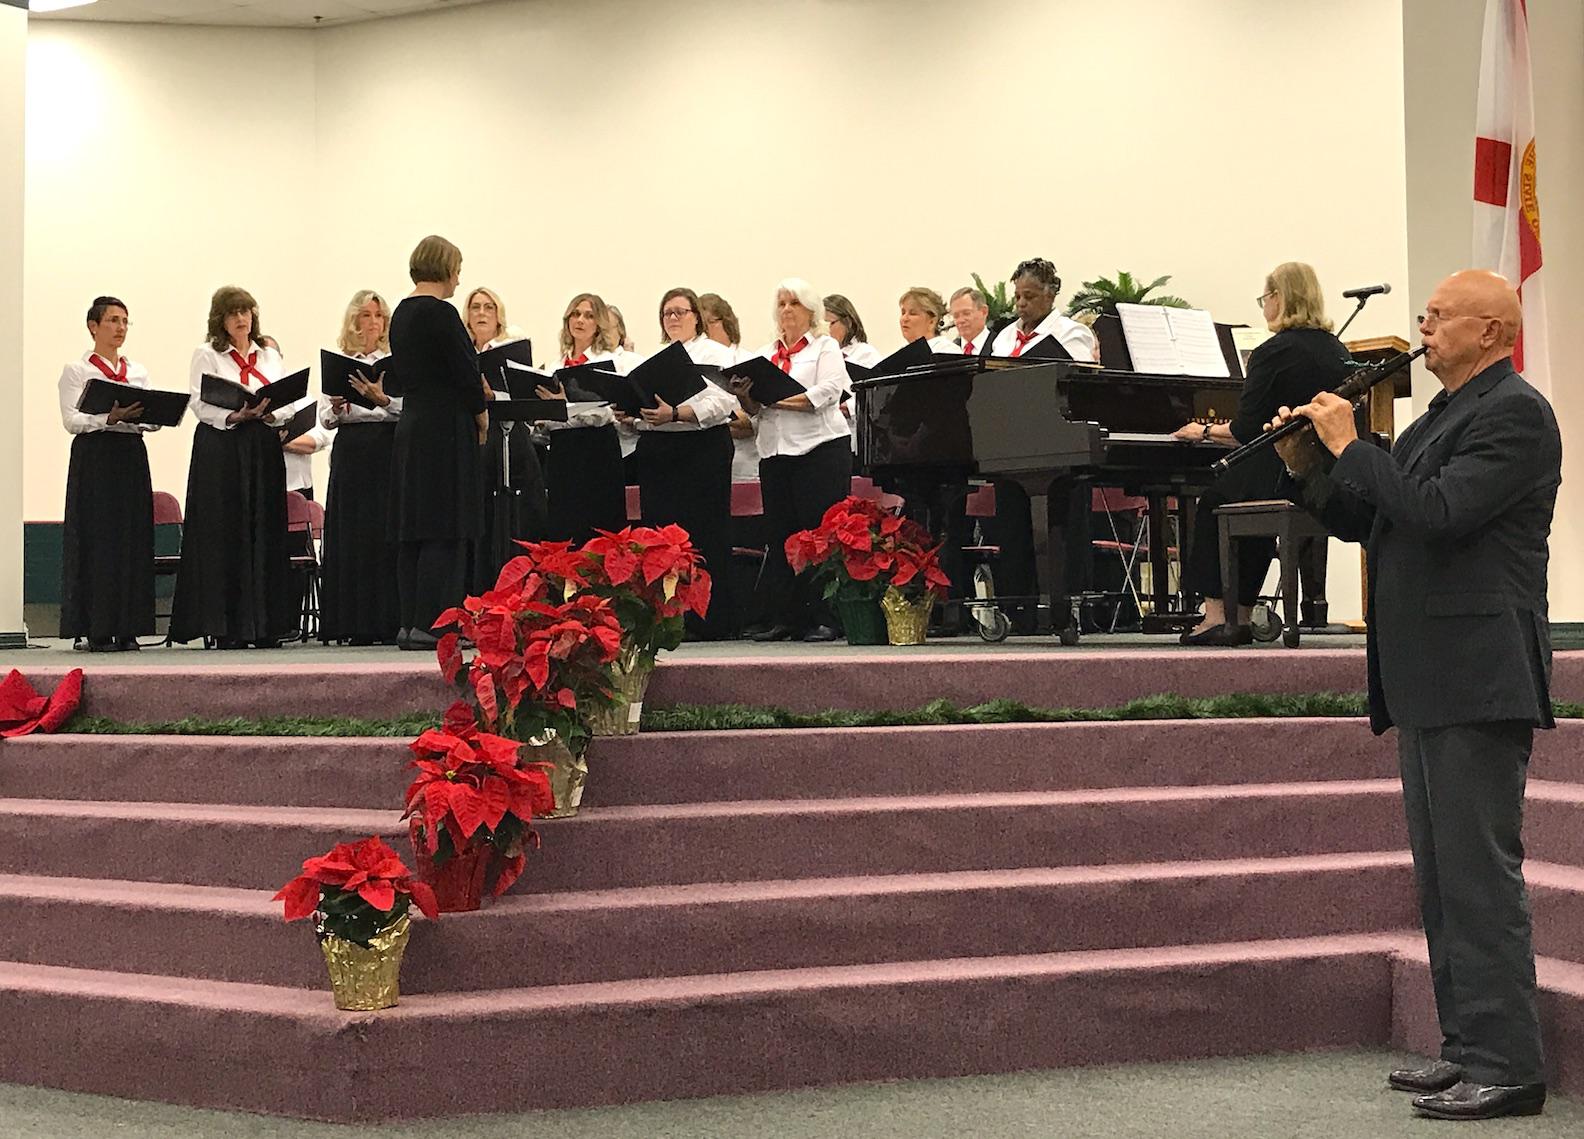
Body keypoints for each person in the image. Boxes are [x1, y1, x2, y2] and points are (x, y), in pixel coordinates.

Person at [1272, 269, 1557, 1122]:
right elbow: (1377, 519)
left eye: (1439, 317)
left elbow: (1438, 511)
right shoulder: (1441, 415)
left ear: (1491, 331)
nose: (1422, 326)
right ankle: (1467, 1048)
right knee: (1440, 880)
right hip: (1429, 672)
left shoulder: (1515, 412)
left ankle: (1509, 1062)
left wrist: (1354, 442)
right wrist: (1310, 467)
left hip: (1477, 672)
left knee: (1479, 879)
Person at [1176, 262, 1353, 645]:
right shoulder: (1336, 348)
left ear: (1279, 297)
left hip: (1281, 465)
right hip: (1326, 467)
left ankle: (1220, 617)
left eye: (1264, 298)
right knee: (1241, 488)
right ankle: (1240, 612)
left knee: (1216, 500)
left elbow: (1245, 429)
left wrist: (1203, 430)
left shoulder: (1273, 350)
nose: (1263, 306)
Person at [726, 278, 852, 642]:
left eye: (794, 303)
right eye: (781, 303)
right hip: (776, 452)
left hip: (819, 450)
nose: (786, 310)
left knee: (818, 534)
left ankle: (826, 616)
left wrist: (774, 399)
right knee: (781, 535)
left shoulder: (824, 346)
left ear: (810, 311)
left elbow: (828, 393)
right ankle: (787, 616)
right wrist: (748, 396)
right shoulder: (765, 354)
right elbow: (753, 412)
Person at [170, 286, 293, 648]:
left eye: (246, 312)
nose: (241, 319)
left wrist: (271, 412)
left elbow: (288, 400)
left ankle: (266, 624)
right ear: (220, 319)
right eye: (233, 312)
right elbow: (200, 402)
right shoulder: (207, 354)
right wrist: (236, 414)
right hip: (223, 446)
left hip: (262, 444)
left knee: (264, 526)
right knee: (226, 529)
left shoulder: (268, 355)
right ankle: (228, 627)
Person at [388, 235, 489, 651]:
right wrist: (481, 415)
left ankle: (411, 622)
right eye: (458, 270)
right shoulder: (441, 314)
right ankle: (439, 624)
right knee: (445, 526)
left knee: (414, 526)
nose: (459, 281)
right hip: (445, 427)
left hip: (412, 423)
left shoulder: (400, 313)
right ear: (445, 267)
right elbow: (466, 373)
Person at [621, 287, 740, 638]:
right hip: (660, 450)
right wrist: (631, 413)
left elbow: (723, 402)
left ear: (696, 316)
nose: (673, 318)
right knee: (660, 538)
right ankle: (667, 618)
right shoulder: (651, 359)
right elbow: (645, 407)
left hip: (702, 449)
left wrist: (677, 412)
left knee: (705, 534)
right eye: (667, 313)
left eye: (680, 312)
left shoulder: (716, 352)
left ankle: (711, 622)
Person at [56, 295, 158, 652]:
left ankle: (129, 626)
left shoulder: (137, 371)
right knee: (99, 538)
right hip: (95, 456)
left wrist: (151, 416)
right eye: (113, 320)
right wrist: (108, 418)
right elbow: (72, 420)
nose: (120, 328)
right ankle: (97, 627)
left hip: (130, 455)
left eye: (125, 321)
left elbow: (149, 417)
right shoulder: (77, 370)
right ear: (93, 326)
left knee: (131, 537)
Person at [318, 289, 401, 645]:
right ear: (354, 321)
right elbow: (324, 418)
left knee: (384, 530)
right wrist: (337, 407)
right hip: (351, 451)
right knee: (352, 531)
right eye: (365, 315)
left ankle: (387, 619)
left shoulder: (395, 362)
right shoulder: (341, 361)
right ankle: (351, 621)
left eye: (378, 316)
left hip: (386, 448)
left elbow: (402, 407)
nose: (372, 322)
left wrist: (380, 399)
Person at [464, 286, 548, 592]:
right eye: (475, 308)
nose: (482, 313)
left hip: (510, 436)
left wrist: (493, 394)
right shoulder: (463, 352)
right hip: (473, 438)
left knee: (514, 511)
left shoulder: (509, 347)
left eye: (489, 307)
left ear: (499, 316)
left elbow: (524, 393)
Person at [535, 293, 633, 544]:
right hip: (562, 451)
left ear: (599, 323)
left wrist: (564, 407)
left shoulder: (607, 362)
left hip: (596, 449)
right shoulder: (555, 364)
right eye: (575, 314)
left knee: (599, 525)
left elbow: (607, 412)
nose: (580, 320)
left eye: (589, 316)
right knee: (563, 523)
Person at [988, 258, 1096, 360]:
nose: (1021, 303)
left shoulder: (1071, 333)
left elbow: (1078, 377)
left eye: (1029, 297)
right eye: (1017, 297)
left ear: (1050, 296)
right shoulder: (1005, 335)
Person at [897, 287, 960, 354]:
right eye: (903, 313)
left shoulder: (948, 351)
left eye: (913, 313)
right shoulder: (903, 353)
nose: (904, 319)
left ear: (932, 322)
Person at [824, 294, 881, 366]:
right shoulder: (820, 355)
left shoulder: (866, 354)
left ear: (848, 322)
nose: (824, 329)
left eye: (828, 323)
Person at [949, 286, 992, 355]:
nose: (961, 320)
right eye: (956, 316)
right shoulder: (950, 350)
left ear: (984, 311)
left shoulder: (999, 345)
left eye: (966, 313)